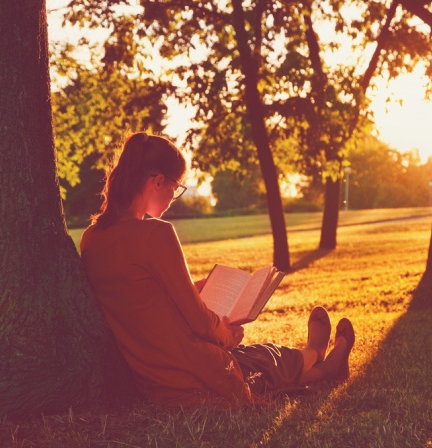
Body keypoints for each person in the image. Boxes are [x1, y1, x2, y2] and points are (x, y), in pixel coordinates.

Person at [80, 132, 355, 406]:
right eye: (176, 187)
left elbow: (140, 300)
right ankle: (319, 359)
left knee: (256, 358)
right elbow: (200, 323)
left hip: (152, 380)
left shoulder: (91, 238)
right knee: (264, 358)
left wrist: (194, 290)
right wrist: (228, 336)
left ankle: (318, 359)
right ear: (158, 181)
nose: (174, 196)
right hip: (192, 375)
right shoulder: (156, 233)